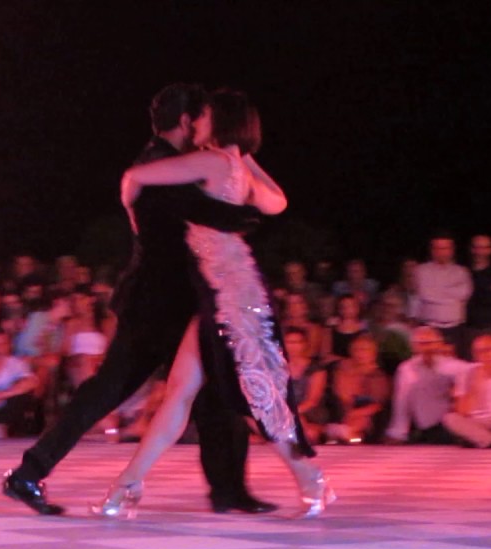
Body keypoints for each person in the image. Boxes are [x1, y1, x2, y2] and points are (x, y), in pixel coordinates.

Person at [1, 83, 274, 516]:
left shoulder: (168, 161)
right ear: (186, 122)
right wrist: (237, 216)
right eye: (200, 117)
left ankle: (229, 489)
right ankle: (29, 473)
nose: (205, 125)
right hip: (156, 304)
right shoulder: (160, 164)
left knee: (211, 394)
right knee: (112, 392)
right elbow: (183, 209)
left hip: (170, 300)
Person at [95, 88, 330, 519]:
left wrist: (130, 205)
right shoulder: (235, 166)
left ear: (217, 121)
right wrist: (247, 155)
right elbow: (278, 201)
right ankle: (126, 486)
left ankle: (310, 480)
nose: (194, 124)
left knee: (258, 394)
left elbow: (140, 175)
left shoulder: (213, 162)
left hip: (228, 297)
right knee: (182, 394)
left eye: (201, 117)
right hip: (230, 292)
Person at [385, 326, 470, 445]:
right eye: (421, 344)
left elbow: (473, 377)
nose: (426, 348)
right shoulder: (406, 369)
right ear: (413, 346)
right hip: (427, 429)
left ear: (439, 343)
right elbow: (402, 403)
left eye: (429, 343)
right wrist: (398, 432)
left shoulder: (456, 367)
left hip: (453, 426)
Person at [327, 334, 391, 444]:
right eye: (356, 349)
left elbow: (377, 405)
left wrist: (355, 414)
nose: (360, 353)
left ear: (373, 353)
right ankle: (348, 434)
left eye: (364, 349)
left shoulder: (378, 376)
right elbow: (342, 395)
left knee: (361, 421)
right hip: (344, 413)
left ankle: (346, 433)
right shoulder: (343, 370)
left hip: (370, 417)